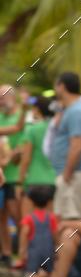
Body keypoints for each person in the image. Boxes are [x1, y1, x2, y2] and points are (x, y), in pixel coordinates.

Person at [48, 72, 81, 223]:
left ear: (62, 87)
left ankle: (71, 247)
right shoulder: (72, 110)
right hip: (73, 172)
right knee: (68, 218)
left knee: (71, 221)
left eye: (56, 86)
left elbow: (77, 146)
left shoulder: (77, 111)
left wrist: (67, 174)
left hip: (75, 172)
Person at [0, 85, 28, 265]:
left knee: (19, 217)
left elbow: (26, 142)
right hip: (3, 174)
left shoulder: (23, 117)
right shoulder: (1, 117)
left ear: (13, 96)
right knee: (1, 217)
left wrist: (16, 154)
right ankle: (7, 253)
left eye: (3, 97)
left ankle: (25, 256)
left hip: (17, 175)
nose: (1, 101)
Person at [17, 96, 57, 219]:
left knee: (27, 224)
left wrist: (20, 183)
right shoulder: (58, 129)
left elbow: (26, 159)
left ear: (37, 110)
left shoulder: (32, 130)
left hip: (34, 182)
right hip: (53, 181)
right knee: (52, 224)